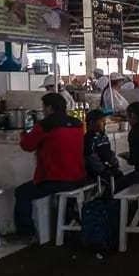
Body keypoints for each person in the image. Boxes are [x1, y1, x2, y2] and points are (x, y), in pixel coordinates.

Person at [14, 93, 87, 240]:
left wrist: (22, 136)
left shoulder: (45, 125)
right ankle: (68, 219)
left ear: (49, 108)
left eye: (44, 107)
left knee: (21, 192)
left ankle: (25, 233)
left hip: (57, 180)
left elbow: (27, 145)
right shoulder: (78, 123)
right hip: (79, 176)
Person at [84, 109, 129, 190]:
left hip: (107, 167)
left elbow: (108, 151)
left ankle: (122, 200)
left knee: (121, 177)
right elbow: (90, 156)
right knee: (110, 183)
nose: (104, 123)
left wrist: (114, 162)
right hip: (97, 171)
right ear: (91, 123)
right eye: (101, 121)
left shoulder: (103, 136)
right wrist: (102, 169)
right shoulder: (89, 138)